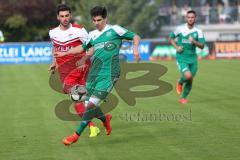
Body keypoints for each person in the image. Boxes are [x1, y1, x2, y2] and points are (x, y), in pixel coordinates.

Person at [55, 6, 141, 145]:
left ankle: (75, 136)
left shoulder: (115, 30)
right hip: (95, 73)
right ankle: (105, 119)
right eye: (94, 20)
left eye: (99, 20)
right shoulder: (93, 34)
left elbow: (136, 36)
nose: (96, 23)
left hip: (110, 74)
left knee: (89, 106)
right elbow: (84, 48)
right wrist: (65, 53)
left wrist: (135, 49)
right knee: (87, 102)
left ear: (105, 18)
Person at [48, 4, 100, 138]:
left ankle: (93, 127)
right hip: (65, 71)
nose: (64, 18)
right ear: (57, 17)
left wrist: (84, 60)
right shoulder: (53, 32)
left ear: (70, 16)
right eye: (62, 16)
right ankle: (102, 119)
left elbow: (91, 47)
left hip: (80, 68)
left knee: (78, 99)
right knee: (79, 100)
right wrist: (54, 63)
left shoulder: (79, 31)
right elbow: (55, 47)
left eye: (67, 16)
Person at [169, 10, 205, 104]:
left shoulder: (199, 31)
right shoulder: (180, 28)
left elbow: (202, 45)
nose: (190, 19)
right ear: (186, 18)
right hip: (181, 57)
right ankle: (180, 82)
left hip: (193, 58)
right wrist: (177, 47)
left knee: (190, 79)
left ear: (195, 18)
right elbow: (170, 38)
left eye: (192, 17)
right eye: (188, 17)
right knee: (188, 76)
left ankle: (183, 97)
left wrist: (194, 41)